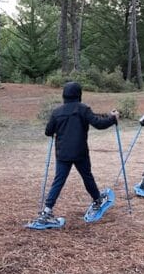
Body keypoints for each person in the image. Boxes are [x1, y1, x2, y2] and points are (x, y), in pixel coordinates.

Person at [32, 82, 119, 226]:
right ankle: (97, 200)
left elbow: (48, 131)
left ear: (64, 95)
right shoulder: (83, 109)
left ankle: (47, 211)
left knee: (58, 181)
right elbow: (98, 123)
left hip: (62, 153)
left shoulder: (57, 111)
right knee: (87, 176)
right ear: (79, 94)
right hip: (80, 152)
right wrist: (112, 118)